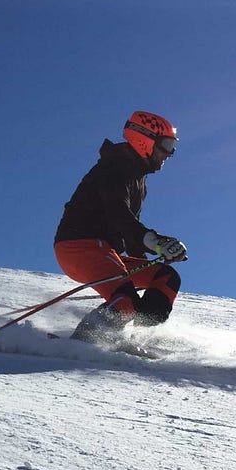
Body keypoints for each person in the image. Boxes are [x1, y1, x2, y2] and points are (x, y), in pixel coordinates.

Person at [53, 111, 188, 344]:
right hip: (79, 247)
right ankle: (82, 342)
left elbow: (128, 230)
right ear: (144, 139)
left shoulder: (139, 179)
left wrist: (154, 254)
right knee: (126, 302)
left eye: (173, 146)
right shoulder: (115, 167)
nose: (169, 153)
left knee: (165, 278)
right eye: (166, 145)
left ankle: (135, 339)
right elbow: (119, 215)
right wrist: (157, 243)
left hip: (106, 252)